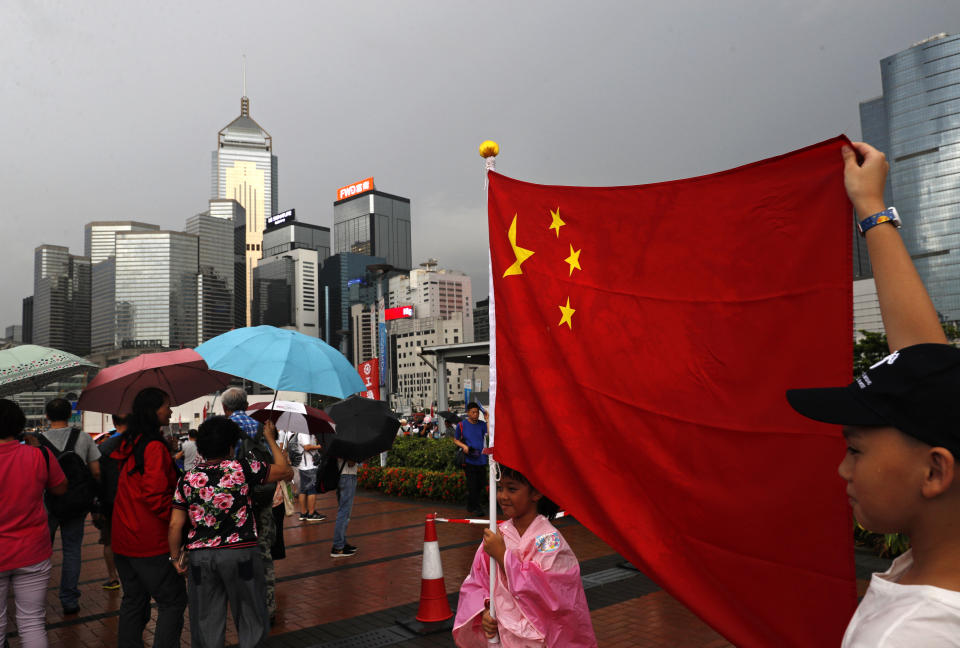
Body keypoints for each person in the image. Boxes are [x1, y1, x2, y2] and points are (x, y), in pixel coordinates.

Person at [786, 141, 960, 646]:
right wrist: (870, 207)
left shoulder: (910, 636)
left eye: (855, 448)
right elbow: (925, 365)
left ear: (935, 471)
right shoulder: (939, 560)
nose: (843, 468)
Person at [168, 416, 293, 648]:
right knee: (250, 616)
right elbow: (285, 471)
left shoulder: (187, 479)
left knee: (205, 621)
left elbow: (175, 525)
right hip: (241, 553)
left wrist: (175, 557)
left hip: (200, 557)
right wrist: (269, 438)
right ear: (231, 446)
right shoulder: (243, 468)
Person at [452, 465, 596, 647]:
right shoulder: (497, 536)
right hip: (503, 638)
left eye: (512, 489)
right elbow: (477, 583)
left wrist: (503, 556)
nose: (503, 496)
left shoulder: (549, 541)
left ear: (536, 493)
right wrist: (485, 612)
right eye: (500, 488)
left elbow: (553, 596)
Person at [109, 388, 187, 648]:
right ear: (154, 411)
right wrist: (179, 520)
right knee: (173, 600)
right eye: (166, 406)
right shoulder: (152, 446)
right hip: (149, 541)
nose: (171, 410)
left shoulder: (130, 442)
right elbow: (156, 496)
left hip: (123, 538)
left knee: (134, 600)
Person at [0, 399, 67, 647]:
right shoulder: (40, 454)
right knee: (32, 622)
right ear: (19, 425)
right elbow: (60, 488)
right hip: (33, 551)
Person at [222, 387, 282, 621]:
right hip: (262, 499)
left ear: (225, 407)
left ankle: (245, 608)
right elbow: (274, 465)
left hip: (236, 504)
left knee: (236, 555)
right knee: (264, 554)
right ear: (246, 406)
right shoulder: (260, 428)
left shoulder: (224, 429)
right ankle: (267, 608)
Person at [38, 397, 101, 615]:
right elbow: (96, 472)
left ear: (47, 416)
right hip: (76, 503)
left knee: (42, 553)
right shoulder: (83, 438)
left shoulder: (38, 441)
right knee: (72, 551)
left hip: (47, 505)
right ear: (69, 414)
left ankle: (37, 601)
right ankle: (69, 600)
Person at [93, 413, 129, 592]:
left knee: (109, 541)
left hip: (109, 501)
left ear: (114, 422)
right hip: (133, 502)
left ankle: (113, 577)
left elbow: (98, 476)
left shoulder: (104, 446)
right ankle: (133, 575)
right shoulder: (140, 444)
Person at [453, 403, 488, 516]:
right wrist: (464, 446)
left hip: (482, 459)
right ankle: (477, 508)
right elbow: (456, 440)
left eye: (477, 412)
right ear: (468, 412)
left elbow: (490, 434)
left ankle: (470, 504)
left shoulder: (482, 424)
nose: (475, 414)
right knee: (473, 485)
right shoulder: (461, 425)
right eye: (473, 412)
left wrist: (487, 420)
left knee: (481, 484)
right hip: (470, 460)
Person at [330, 456, 359, 558]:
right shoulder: (347, 443)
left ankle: (342, 542)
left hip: (342, 476)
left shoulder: (340, 441)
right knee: (344, 512)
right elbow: (351, 462)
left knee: (344, 511)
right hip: (347, 476)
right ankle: (338, 547)